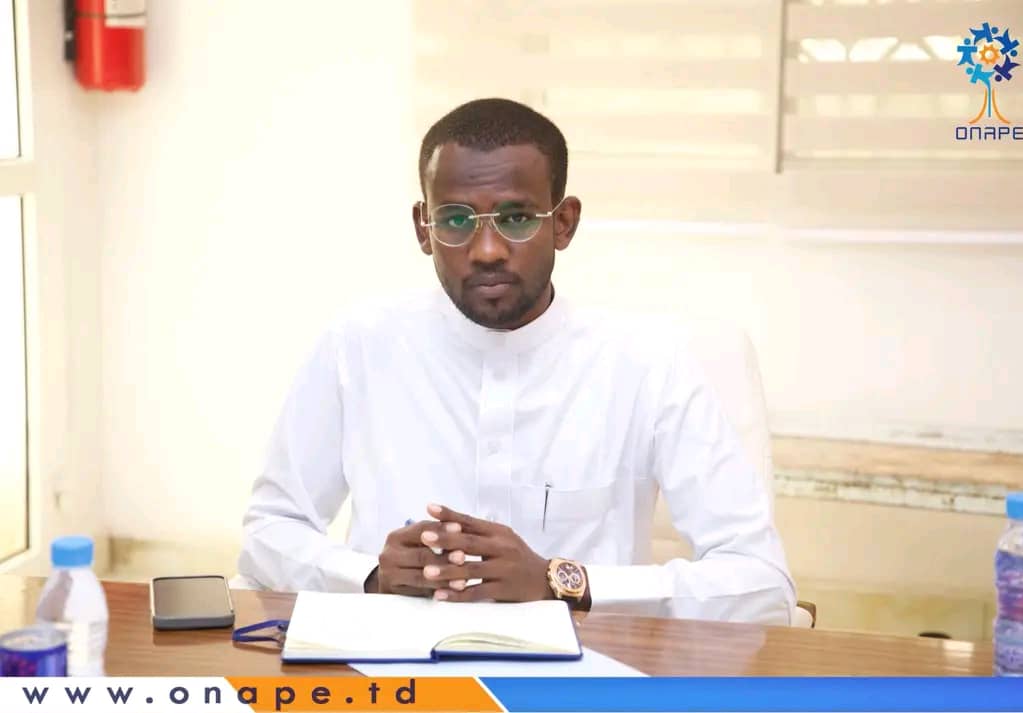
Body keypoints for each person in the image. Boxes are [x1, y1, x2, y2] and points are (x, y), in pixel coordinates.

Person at [237, 98, 796, 623]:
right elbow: (268, 534)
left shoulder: (648, 365)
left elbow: (761, 584)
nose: (488, 251)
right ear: (424, 229)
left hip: (580, 671)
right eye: (457, 220)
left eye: (517, 218)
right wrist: (368, 578)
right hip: (390, 666)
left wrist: (561, 581)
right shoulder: (357, 347)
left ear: (563, 223)